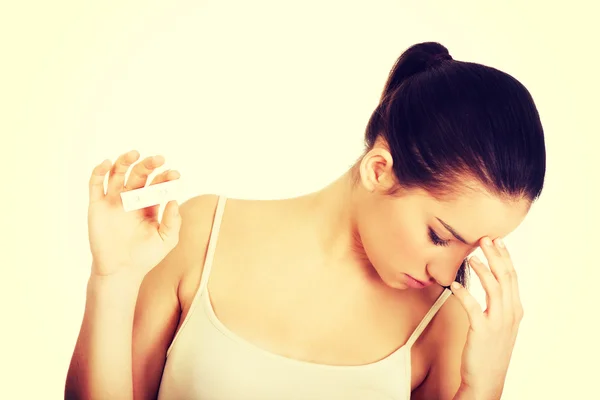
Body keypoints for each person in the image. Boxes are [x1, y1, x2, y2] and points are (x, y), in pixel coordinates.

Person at [65, 41, 546, 400]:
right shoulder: (202, 234)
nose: (446, 274)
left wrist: (484, 387)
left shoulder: (445, 325)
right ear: (379, 170)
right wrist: (113, 281)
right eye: (439, 236)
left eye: (471, 251)